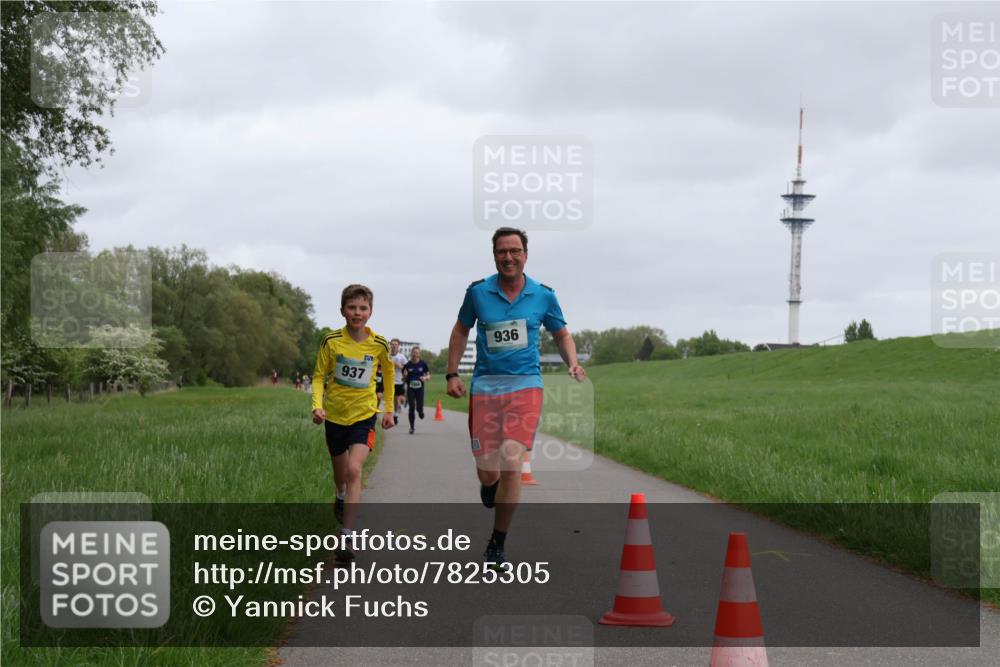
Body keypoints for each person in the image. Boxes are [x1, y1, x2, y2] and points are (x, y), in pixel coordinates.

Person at [446, 227, 585, 567]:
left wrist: (574, 362)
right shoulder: (478, 293)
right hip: (484, 390)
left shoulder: (543, 295)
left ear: (526, 254)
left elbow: (562, 335)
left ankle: (497, 543)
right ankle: (490, 486)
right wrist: (452, 373)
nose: (508, 257)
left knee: (512, 460)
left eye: (514, 251)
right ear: (494, 255)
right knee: (487, 472)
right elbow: (461, 330)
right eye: (502, 252)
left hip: (526, 387)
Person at [312, 284, 395, 564]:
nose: (357, 313)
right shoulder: (331, 341)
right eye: (352, 308)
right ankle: (339, 495)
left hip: (363, 416)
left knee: (354, 468)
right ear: (342, 310)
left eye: (362, 308)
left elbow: (390, 376)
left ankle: (347, 536)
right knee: (340, 477)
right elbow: (318, 376)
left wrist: (389, 410)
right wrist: (317, 405)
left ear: (370, 311)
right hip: (334, 416)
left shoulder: (380, 344)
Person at [402, 346, 430, 434]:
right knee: (412, 407)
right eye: (414, 352)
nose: (415, 354)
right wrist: (405, 376)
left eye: (417, 353)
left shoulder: (423, 364)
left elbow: (429, 375)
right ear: (412, 353)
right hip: (410, 388)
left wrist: (425, 378)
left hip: (420, 388)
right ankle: (412, 427)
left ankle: (420, 412)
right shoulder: (407, 365)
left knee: (419, 408)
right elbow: (404, 379)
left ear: (419, 354)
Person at [390, 338, 407, 425]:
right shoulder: (387, 355)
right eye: (392, 344)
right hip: (390, 381)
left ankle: (402, 403)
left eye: (395, 344)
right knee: (394, 398)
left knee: (400, 399)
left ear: (398, 346)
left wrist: (398, 365)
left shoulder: (401, 357)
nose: (393, 346)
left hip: (399, 380)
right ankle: (395, 415)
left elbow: (406, 368)